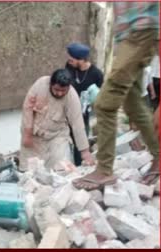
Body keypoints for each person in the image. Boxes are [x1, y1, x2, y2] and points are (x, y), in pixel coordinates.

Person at [73, 2, 159, 190]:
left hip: (141, 32)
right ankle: (159, 157)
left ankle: (104, 170)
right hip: (129, 37)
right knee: (133, 103)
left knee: (104, 104)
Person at [19, 69, 95, 171]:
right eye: (56, 90)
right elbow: (27, 108)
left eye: (63, 91)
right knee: (29, 171)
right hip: (34, 134)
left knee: (62, 168)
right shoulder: (40, 84)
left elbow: (77, 124)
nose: (59, 93)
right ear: (51, 83)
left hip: (57, 136)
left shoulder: (72, 97)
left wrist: (85, 152)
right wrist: (27, 134)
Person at [65, 42, 104, 166]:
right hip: (67, 110)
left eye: (71, 57)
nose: (69, 60)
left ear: (81, 59)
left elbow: (100, 96)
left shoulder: (96, 74)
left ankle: (79, 167)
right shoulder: (70, 67)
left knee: (80, 141)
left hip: (83, 113)